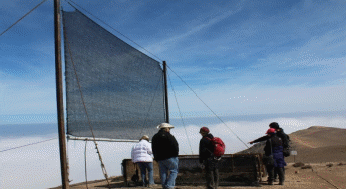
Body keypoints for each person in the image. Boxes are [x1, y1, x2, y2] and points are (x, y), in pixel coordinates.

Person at [151, 123, 179, 189]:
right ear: (166, 129)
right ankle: (169, 186)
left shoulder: (155, 137)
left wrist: (156, 157)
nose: (169, 130)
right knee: (174, 171)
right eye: (169, 128)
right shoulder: (169, 136)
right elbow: (175, 146)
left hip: (160, 158)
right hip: (171, 156)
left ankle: (164, 186)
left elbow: (153, 148)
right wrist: (175, 154)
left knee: (163, 172)